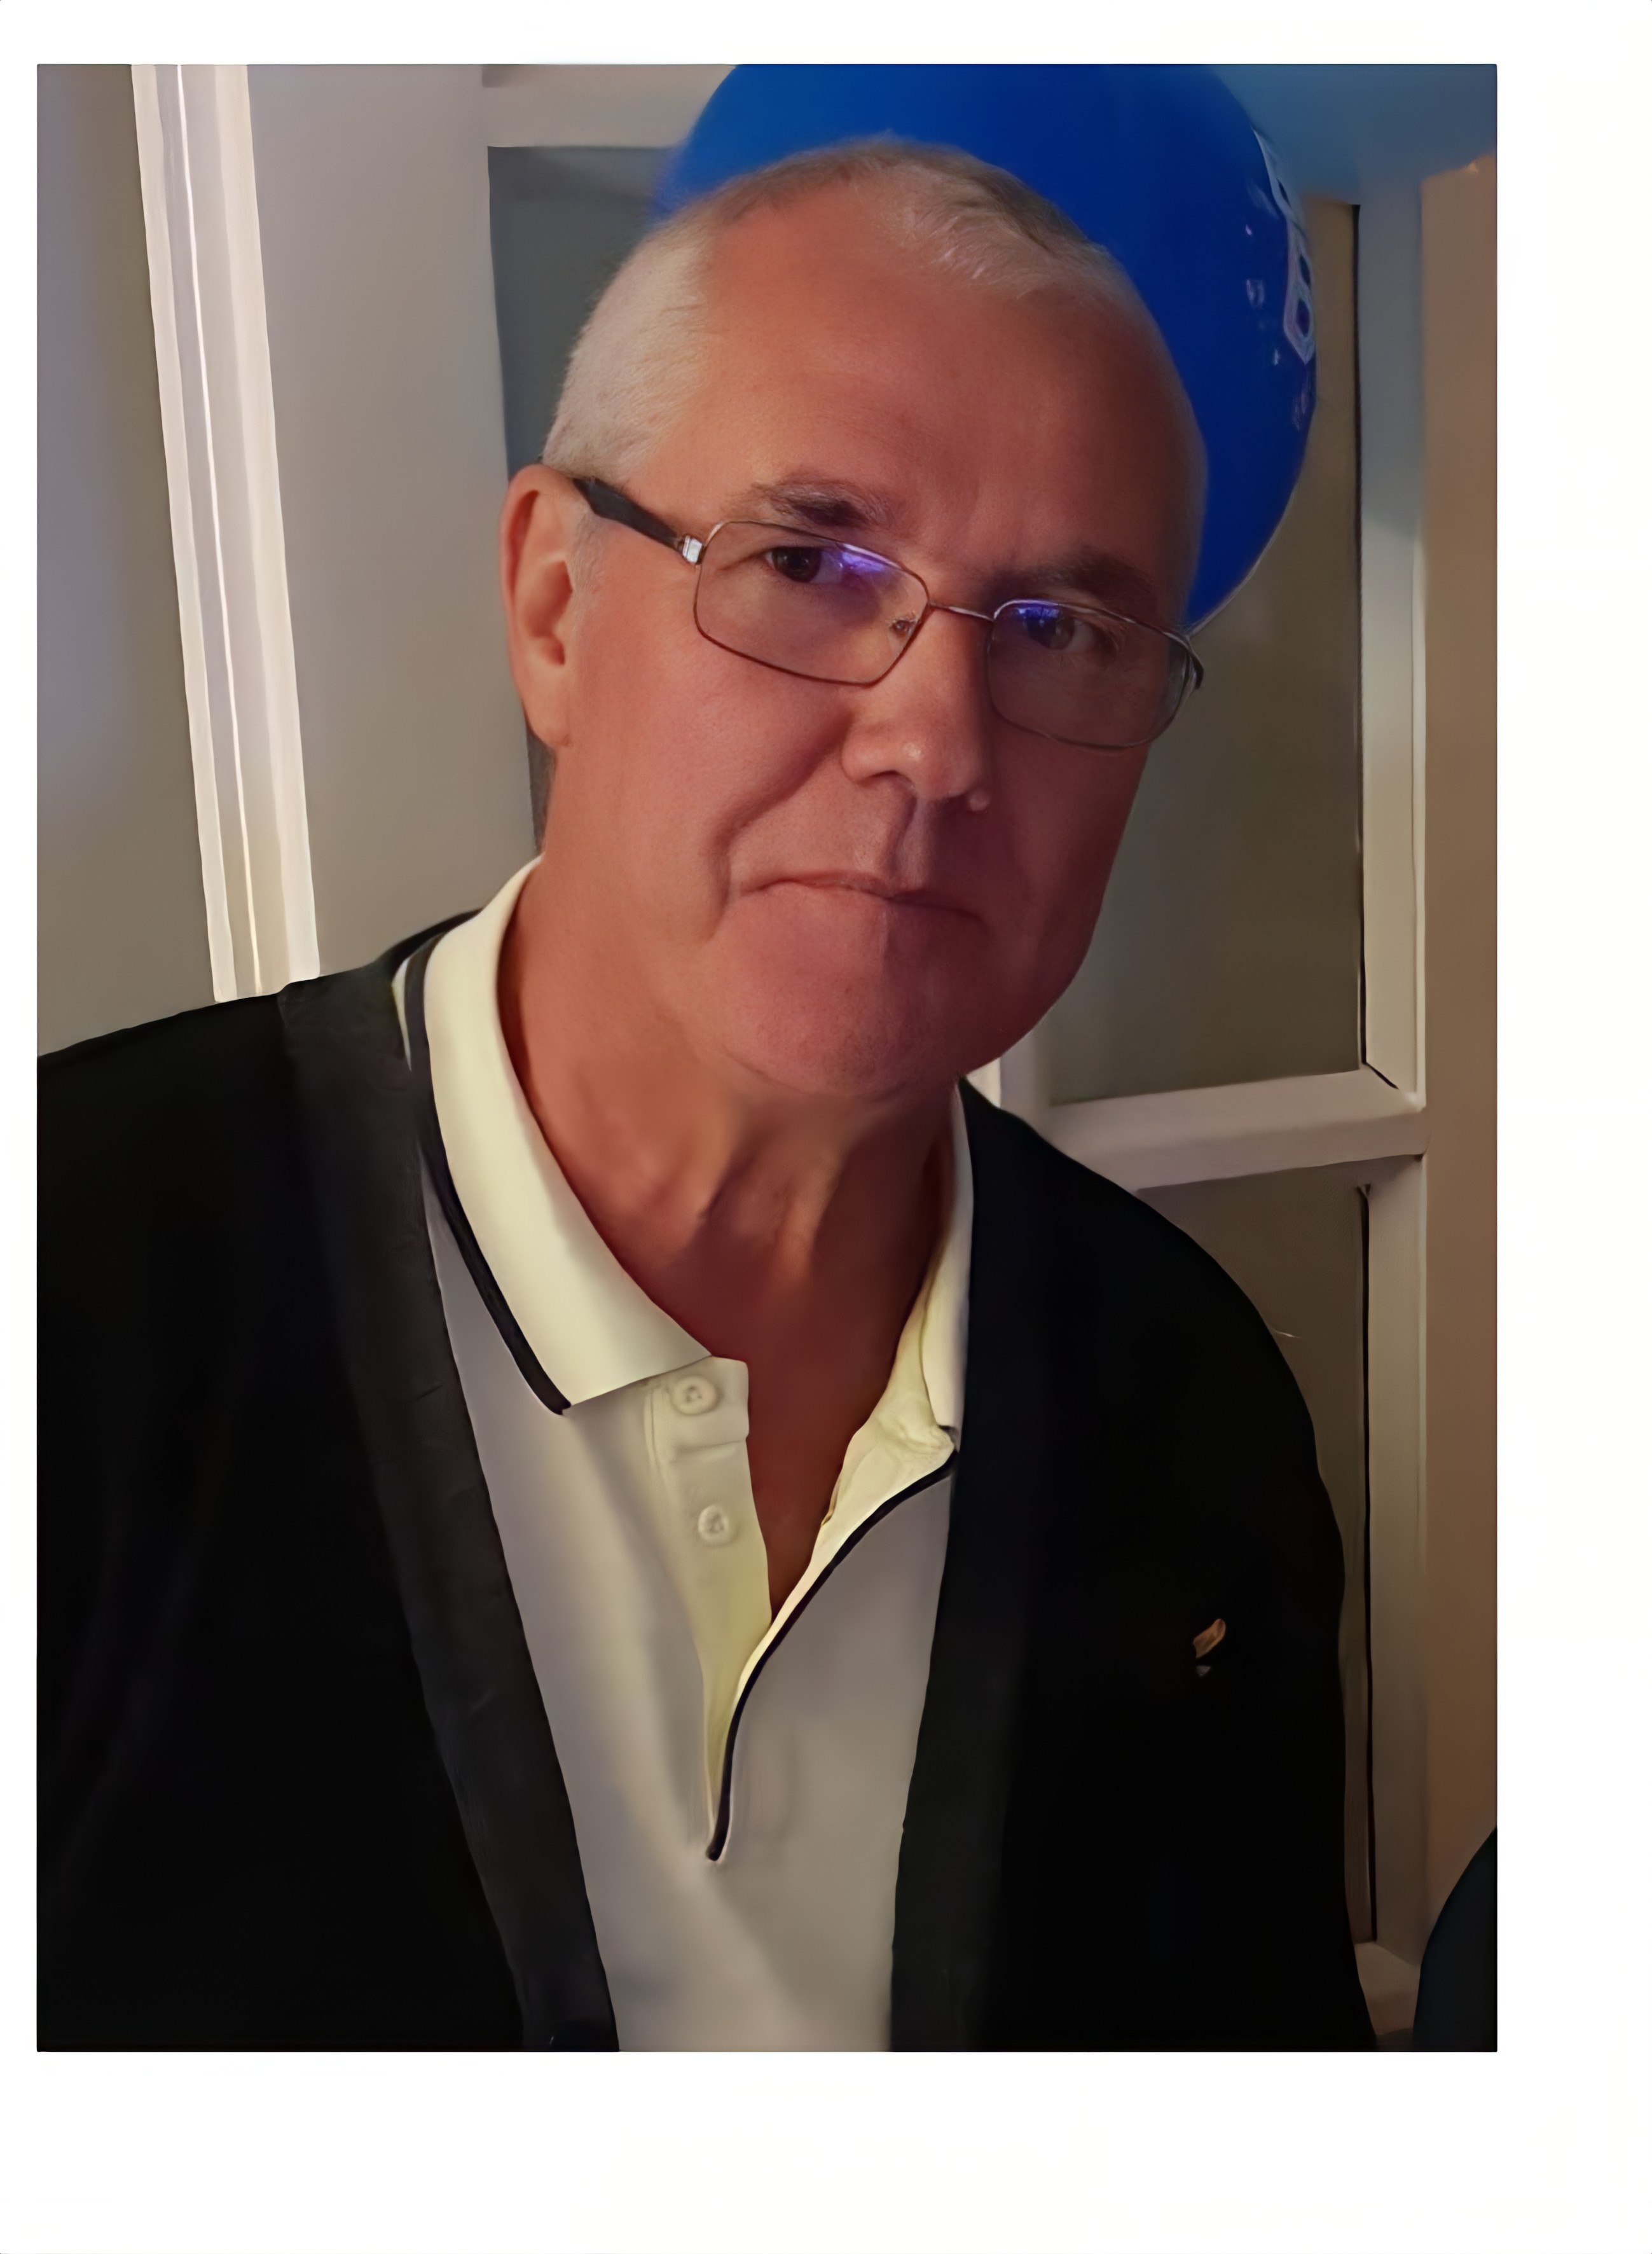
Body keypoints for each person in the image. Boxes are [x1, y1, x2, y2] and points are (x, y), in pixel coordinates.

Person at [38, 141, 1374, 2050]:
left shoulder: (1186, 1404)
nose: (934, 741)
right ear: (553, 610)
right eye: (810, 565)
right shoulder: (70, 1298)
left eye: (1061, 633)